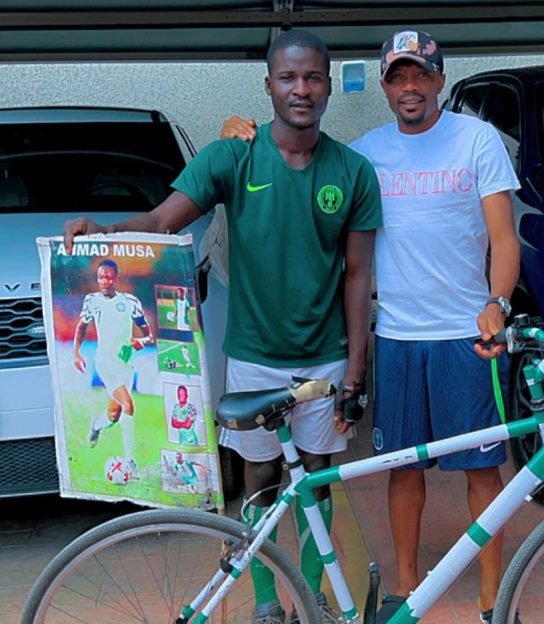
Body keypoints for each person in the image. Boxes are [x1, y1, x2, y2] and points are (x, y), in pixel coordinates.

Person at [63, 29, 382, 624]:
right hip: (254, 356)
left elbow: (358, 275)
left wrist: (357, 370)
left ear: (329, 86)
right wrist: (108, 233)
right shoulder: (232, 156)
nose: (301, 89)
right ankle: (265, 601)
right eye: (288, 77)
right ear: (268, 86)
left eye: (313, 77)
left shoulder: (353, 170)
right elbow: (162, 219)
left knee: (317, 480)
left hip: (326, 358)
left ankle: (311, 595)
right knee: (260, 479)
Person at [220, 28, 520, 624]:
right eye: (398, 76)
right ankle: (406, 589)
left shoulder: (478, 140)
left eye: (420, 74)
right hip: (399, 338)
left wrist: (498, 302)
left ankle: (493, 598)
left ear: (440, 79)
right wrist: (241, 128)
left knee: (483, 469)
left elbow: (505, 238)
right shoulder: (367, 153)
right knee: (403, 470)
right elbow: (300, 143)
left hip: (467, 336)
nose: (410, 86)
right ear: (384, 86)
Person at [72, 258, 154, 480]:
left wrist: (141, 341)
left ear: (116, 278)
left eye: (108, 277)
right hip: (105, 361)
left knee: (114, 415)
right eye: (100, 277)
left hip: (125, 362)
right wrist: (76, 353)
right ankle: (131, 462)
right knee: (128, 405)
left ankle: (96, 426)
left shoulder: (130, 302)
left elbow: (148, 334)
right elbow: (82, 326)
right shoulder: (93, 301)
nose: (104, 281)